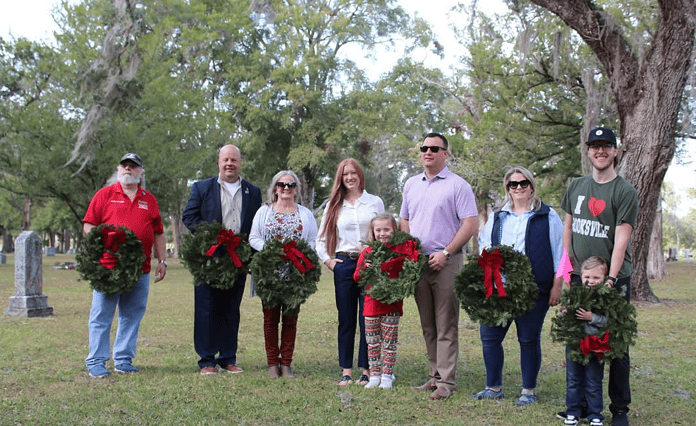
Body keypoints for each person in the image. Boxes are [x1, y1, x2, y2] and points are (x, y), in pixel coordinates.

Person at [560, 127, 639, 426]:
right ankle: (580, 407)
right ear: (588, 151)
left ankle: (619, 409)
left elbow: (622, 239)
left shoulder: (624, 191)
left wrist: (611, 279)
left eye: (606, 146)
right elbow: (568, 228)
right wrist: (569, 269)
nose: (600, 151)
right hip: (579, 277)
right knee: (579, 339)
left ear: (616, 151)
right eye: (595, 146)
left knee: (614, 343)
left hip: (612, 280)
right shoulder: (577, 186)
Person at [471, 166, 564, 406]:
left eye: (524, 183)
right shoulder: (497, 217)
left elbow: (561, 253)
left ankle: (528, 392)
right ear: (507, 189)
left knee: (528, 339)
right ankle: (493, 387)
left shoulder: (547, 216)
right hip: (498, 287)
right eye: (514, 184)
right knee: (489, 336)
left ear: (532, 186)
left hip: (534, 288)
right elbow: (484, 248)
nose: (519, 188)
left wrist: (557, 285)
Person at [400, 132, 478, 400]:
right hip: (418, 263)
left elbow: (470, 224)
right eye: (424, 148)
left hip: (446, 262)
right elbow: (405, 221)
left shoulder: (458, 186)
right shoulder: (411, 184)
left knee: (446, 323)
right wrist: (409, 250)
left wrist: (446, 252)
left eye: (435, 148)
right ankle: (434, 377)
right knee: (427, 324)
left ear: (446, 153)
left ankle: (447, 382)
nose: (428, 152)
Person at [83, 153, 167, 378]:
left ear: (141, 172)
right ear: (118, 170)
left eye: (133, 166)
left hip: (140, 269)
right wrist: (101, 246)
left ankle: (123, 359)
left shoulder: (149, 199)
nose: (128, 169)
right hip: (109, 267)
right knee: (102, 314)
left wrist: (162, 260)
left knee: (132, 314)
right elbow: (89, 225)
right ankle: (96, 361)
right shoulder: (105, 194)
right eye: (124, 165)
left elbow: (158, 231)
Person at [182, 144, 262, 375]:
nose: (230, 164)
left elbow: (255, 226)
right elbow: (189, 216)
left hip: (237, 258)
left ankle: (228, 357)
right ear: (219, 162)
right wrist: (210, 233)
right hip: (209, 258)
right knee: (206, 308)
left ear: (240, 163)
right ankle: (206, 360)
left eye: (234, 160)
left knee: (230, 309)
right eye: (226, 160)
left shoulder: (252, 192)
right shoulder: (202, 188)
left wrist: (252, 259)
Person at [317, 158, 385, 386]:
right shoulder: (334, 205)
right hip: (344, 264)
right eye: (345, 174)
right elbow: (320, 239)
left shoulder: (374, 202)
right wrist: (329, 261)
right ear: (340, 178)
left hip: (369, 264)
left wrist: (376, 252)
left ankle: (367, 369)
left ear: (360, 175)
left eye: (353, 173)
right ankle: (346, 370)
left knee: (369, 318)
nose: (349, 177)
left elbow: (385, 233)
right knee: (346, 320)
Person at [249, 170, 318, 379]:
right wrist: (272, 251)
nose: (286, 188)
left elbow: (313, 241)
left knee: (290, 319)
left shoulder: (305, 214)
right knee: (270, 319)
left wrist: (298, 254)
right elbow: (253, 237)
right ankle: (272, 364)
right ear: (275, 188)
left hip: (295, 274)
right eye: (282, 184)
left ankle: (286, 363)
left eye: (291, 185)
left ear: (296, 189)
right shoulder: (264, 212)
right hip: (269, 274)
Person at [353, 213, 402, 390]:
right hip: (370, 306)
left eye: (387, 229)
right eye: (378, 230)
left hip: (391, 305)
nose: (383, 233)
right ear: (373, 232)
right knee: (372, 341)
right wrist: (365, 268)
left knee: (389, 342)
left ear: (394, 230)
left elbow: (403, 277)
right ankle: (374, 374)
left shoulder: (398, 252)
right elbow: (357, 276)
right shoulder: (367, 252)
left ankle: (387, 375)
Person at [563, 256, 611, 426]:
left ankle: (595, 414)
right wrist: (565, 312)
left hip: (595, 346)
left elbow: (611, 321)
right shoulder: (575, 294)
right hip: (575, 344)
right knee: (573, 379)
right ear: (581, 277)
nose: (591, 281)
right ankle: (572, 413)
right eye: (587, 277)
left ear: (604, 278)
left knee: (593, 381)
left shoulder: (606, 297)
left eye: (596, 278)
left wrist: (592, 317)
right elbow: (565, 316)